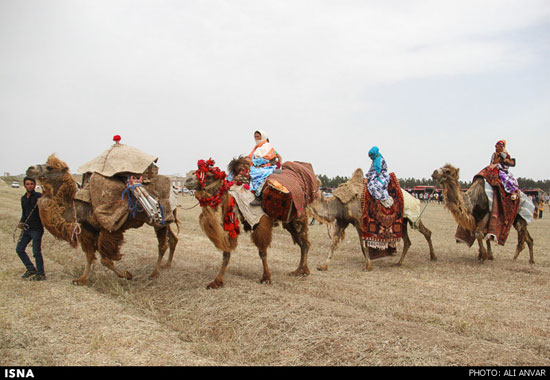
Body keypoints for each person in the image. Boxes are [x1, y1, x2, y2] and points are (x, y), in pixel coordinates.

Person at [15, 177, 46, 281]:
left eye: (31, 184)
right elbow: (24, 213)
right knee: (19, 249)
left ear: (34, 184)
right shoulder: (23, 198)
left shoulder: (39, 196)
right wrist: (21, 222)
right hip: (26, 228)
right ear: (24, 185)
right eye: (27, 184)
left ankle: (41, 274)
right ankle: (30, 268)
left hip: (37, 229)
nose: (30, 186)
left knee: (36, 252)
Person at [247, 130, 282, 206]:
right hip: (255, 168)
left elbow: (275, 157)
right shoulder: (257, 148)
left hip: (266, 168)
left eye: (258, 136)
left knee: (260, 177)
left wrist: (255, 162)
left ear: (262, 137)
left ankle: (259, 197)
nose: (256, 138)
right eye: (255, 137)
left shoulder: (268, 147)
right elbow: (251, 158)